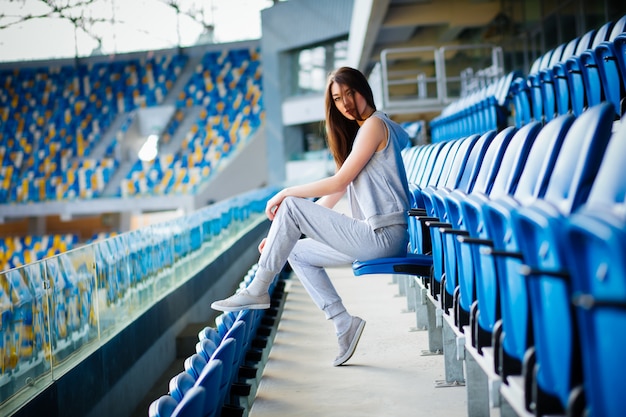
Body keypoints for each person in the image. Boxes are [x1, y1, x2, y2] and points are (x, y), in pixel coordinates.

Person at [211, 66, 411, 366]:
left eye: (349, 93)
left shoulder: (374, 125)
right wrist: (281, 237)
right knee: (297, 251)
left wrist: (285, 193)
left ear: (363, 89)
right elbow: (332, 196)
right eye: (337, 98)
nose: (345, 102)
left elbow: (339, 182)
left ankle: (257, 290)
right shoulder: (368, 128)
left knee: (291, 204)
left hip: (383, 236)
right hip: (377, 235)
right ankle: (343, 322)